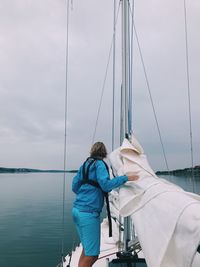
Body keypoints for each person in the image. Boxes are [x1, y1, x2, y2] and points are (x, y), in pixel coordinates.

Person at [72, 141, 139, 267]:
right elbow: (106, 185)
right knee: (92, 255)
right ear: (104, 153)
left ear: (92, 151)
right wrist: (125, 178)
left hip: (77, 210)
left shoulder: (84, 165)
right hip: (88, 214)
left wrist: (86, 192)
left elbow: (74, 187)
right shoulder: (100, 164)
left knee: (87, 250)